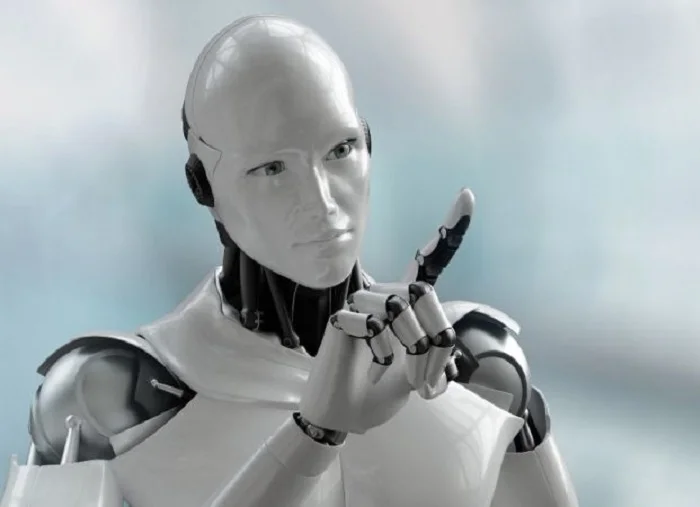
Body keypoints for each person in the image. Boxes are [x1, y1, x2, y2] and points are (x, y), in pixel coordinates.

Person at [0, 15, 578, 507]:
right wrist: (314, 433)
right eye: (272, 168)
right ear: (203, 186)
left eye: (341, 150)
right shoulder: (107, 396)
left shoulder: (479, 363)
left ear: (369, 144)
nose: (323, 202)